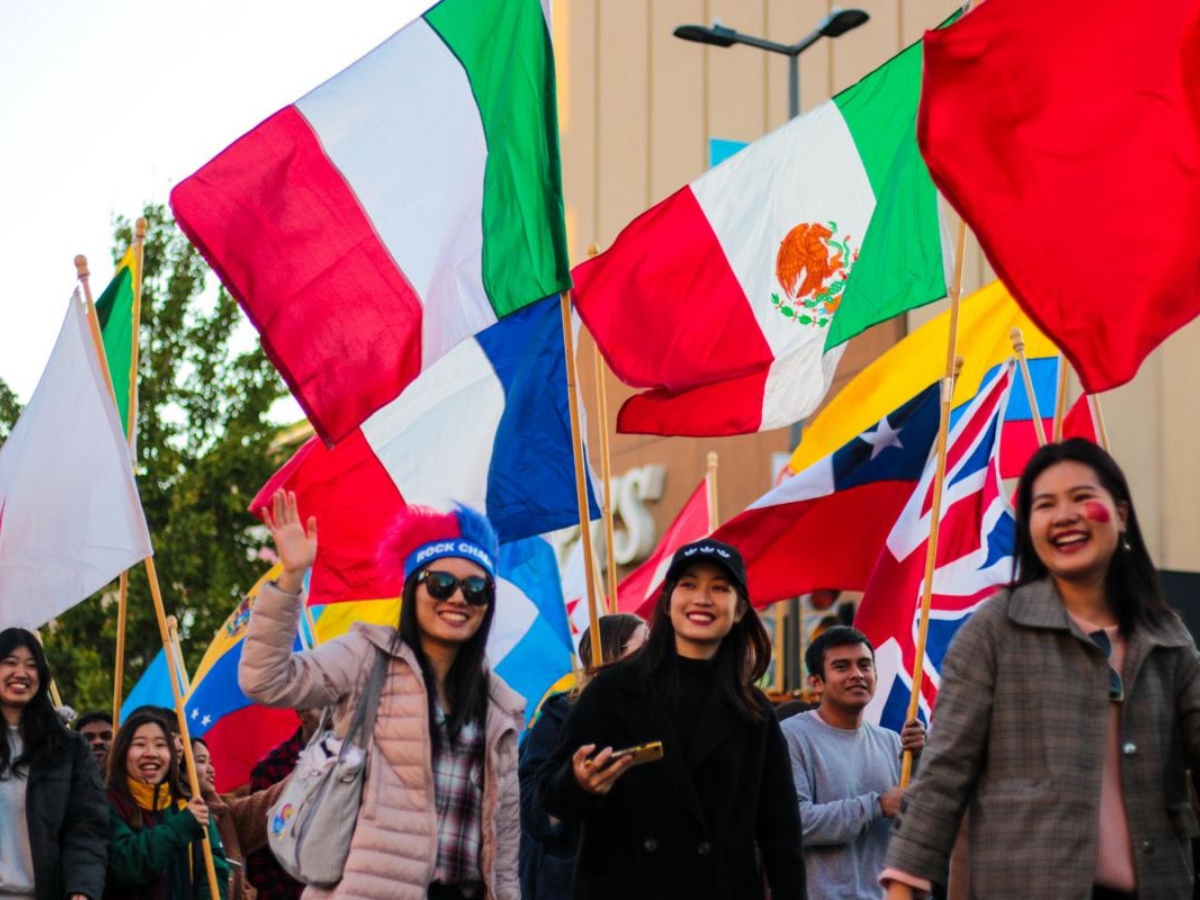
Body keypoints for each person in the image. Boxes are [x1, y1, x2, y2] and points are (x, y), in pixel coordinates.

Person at [883, 439, 1200, 899]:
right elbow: (943, 772)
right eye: (1044, 504)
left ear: (1122, 514)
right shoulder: (994, 631)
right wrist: (902, 886)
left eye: (1082, 498)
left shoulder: (1168, 638)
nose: (1064, 515)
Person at [239, 491, 524, 900]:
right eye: (441, 584)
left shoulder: (501, 708)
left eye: (476, 588)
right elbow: (265, 679)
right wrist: (290, 578)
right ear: (412, 591)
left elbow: (505, 847)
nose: (458, 598)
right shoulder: (367, 657)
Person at [537, 539, 807, 899]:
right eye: (689, 584)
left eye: (719, 588)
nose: (702, 598)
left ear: (739, 609)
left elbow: (781, 836)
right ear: (667, 601)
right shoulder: (611, 691)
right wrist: (579, 784)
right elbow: (550, 797)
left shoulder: (753, 710)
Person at [781, 626, 924, 900]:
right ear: (816, 682)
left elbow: (915, 826)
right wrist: (876, 805)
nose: (857, 674)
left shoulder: (892, 742)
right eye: (841, 666)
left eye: (864, 665)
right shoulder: (791, 737)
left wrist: (918, 760)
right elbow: (794, 823)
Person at [518, 613, 648, 900]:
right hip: (571, 884)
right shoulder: (559, 718)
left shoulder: (656, 720)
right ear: (613, 654)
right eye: (646, 645)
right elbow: (532, 814)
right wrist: (573, 785)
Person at [0, 628, 108, 900]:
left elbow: (87, 829)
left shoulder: (68, 748)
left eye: (32, 665)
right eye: (10, 663)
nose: (21, 673)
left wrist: (83, 889)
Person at [104, 708, 229, 900]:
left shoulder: (189, 805)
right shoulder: (106, 803)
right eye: (139, 744)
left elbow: (214, 871)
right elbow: (123, 865)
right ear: (122, 750)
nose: (151, 753)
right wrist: (181, 827)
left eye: (161, 745)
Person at [191, 737, 285, 900]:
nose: (211, 769)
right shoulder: (171, 817)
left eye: (210, 762)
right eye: (201, 761)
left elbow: (267, 802)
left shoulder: (225, 812)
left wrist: (304, 774)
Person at [243, 710, 321, 900]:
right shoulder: (272, 768)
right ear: (302, 711)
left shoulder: (354, 760)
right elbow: (259, 849)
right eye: (323, 707)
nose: (333, 715)